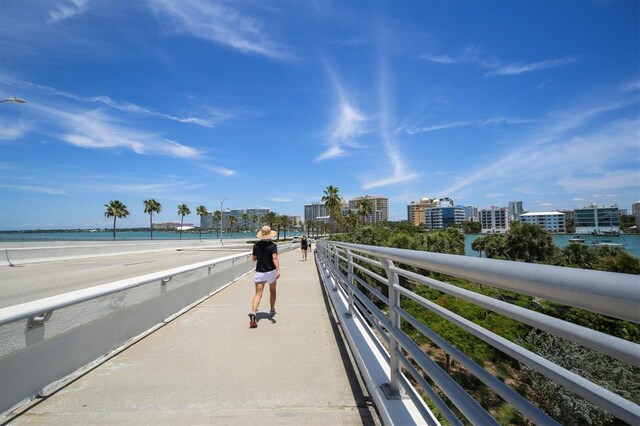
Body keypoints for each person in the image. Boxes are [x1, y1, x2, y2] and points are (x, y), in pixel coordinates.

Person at [249, 226, 280, 328]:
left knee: (258, 294)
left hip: (260, 272)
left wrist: (259, 255)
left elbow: (254, 259)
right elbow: (274, 258)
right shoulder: (273, 246)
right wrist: (278, 270)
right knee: (273, 291)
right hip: (271, 271)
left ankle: (253, 312)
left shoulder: (256, 245)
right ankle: (271, 310)